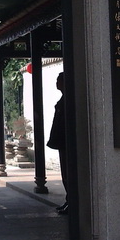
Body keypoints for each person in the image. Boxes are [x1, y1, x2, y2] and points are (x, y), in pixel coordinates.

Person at [46, 72, 68, 214]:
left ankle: (72, 201)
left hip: (66, 141)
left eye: (59, 80)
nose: (56, 83)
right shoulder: (63, 98)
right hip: (62, 141)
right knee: (65, 173)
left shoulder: (68, 99)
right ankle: (69, 200)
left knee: (68, 173)